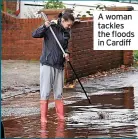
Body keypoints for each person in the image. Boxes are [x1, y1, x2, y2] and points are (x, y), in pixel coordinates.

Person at [32, 11, 75, 123]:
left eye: (71, 25)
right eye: (68, 24)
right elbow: (35, 34)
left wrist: (67, 54)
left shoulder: (66, 33)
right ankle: (43, 118)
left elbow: (65, 47)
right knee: (45, 92)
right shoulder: (50, 27)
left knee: (59, 93)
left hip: (59, 65)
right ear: (63, 20)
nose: (69, 27)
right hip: (48, 63)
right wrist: (44, 26)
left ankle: (60, 117)